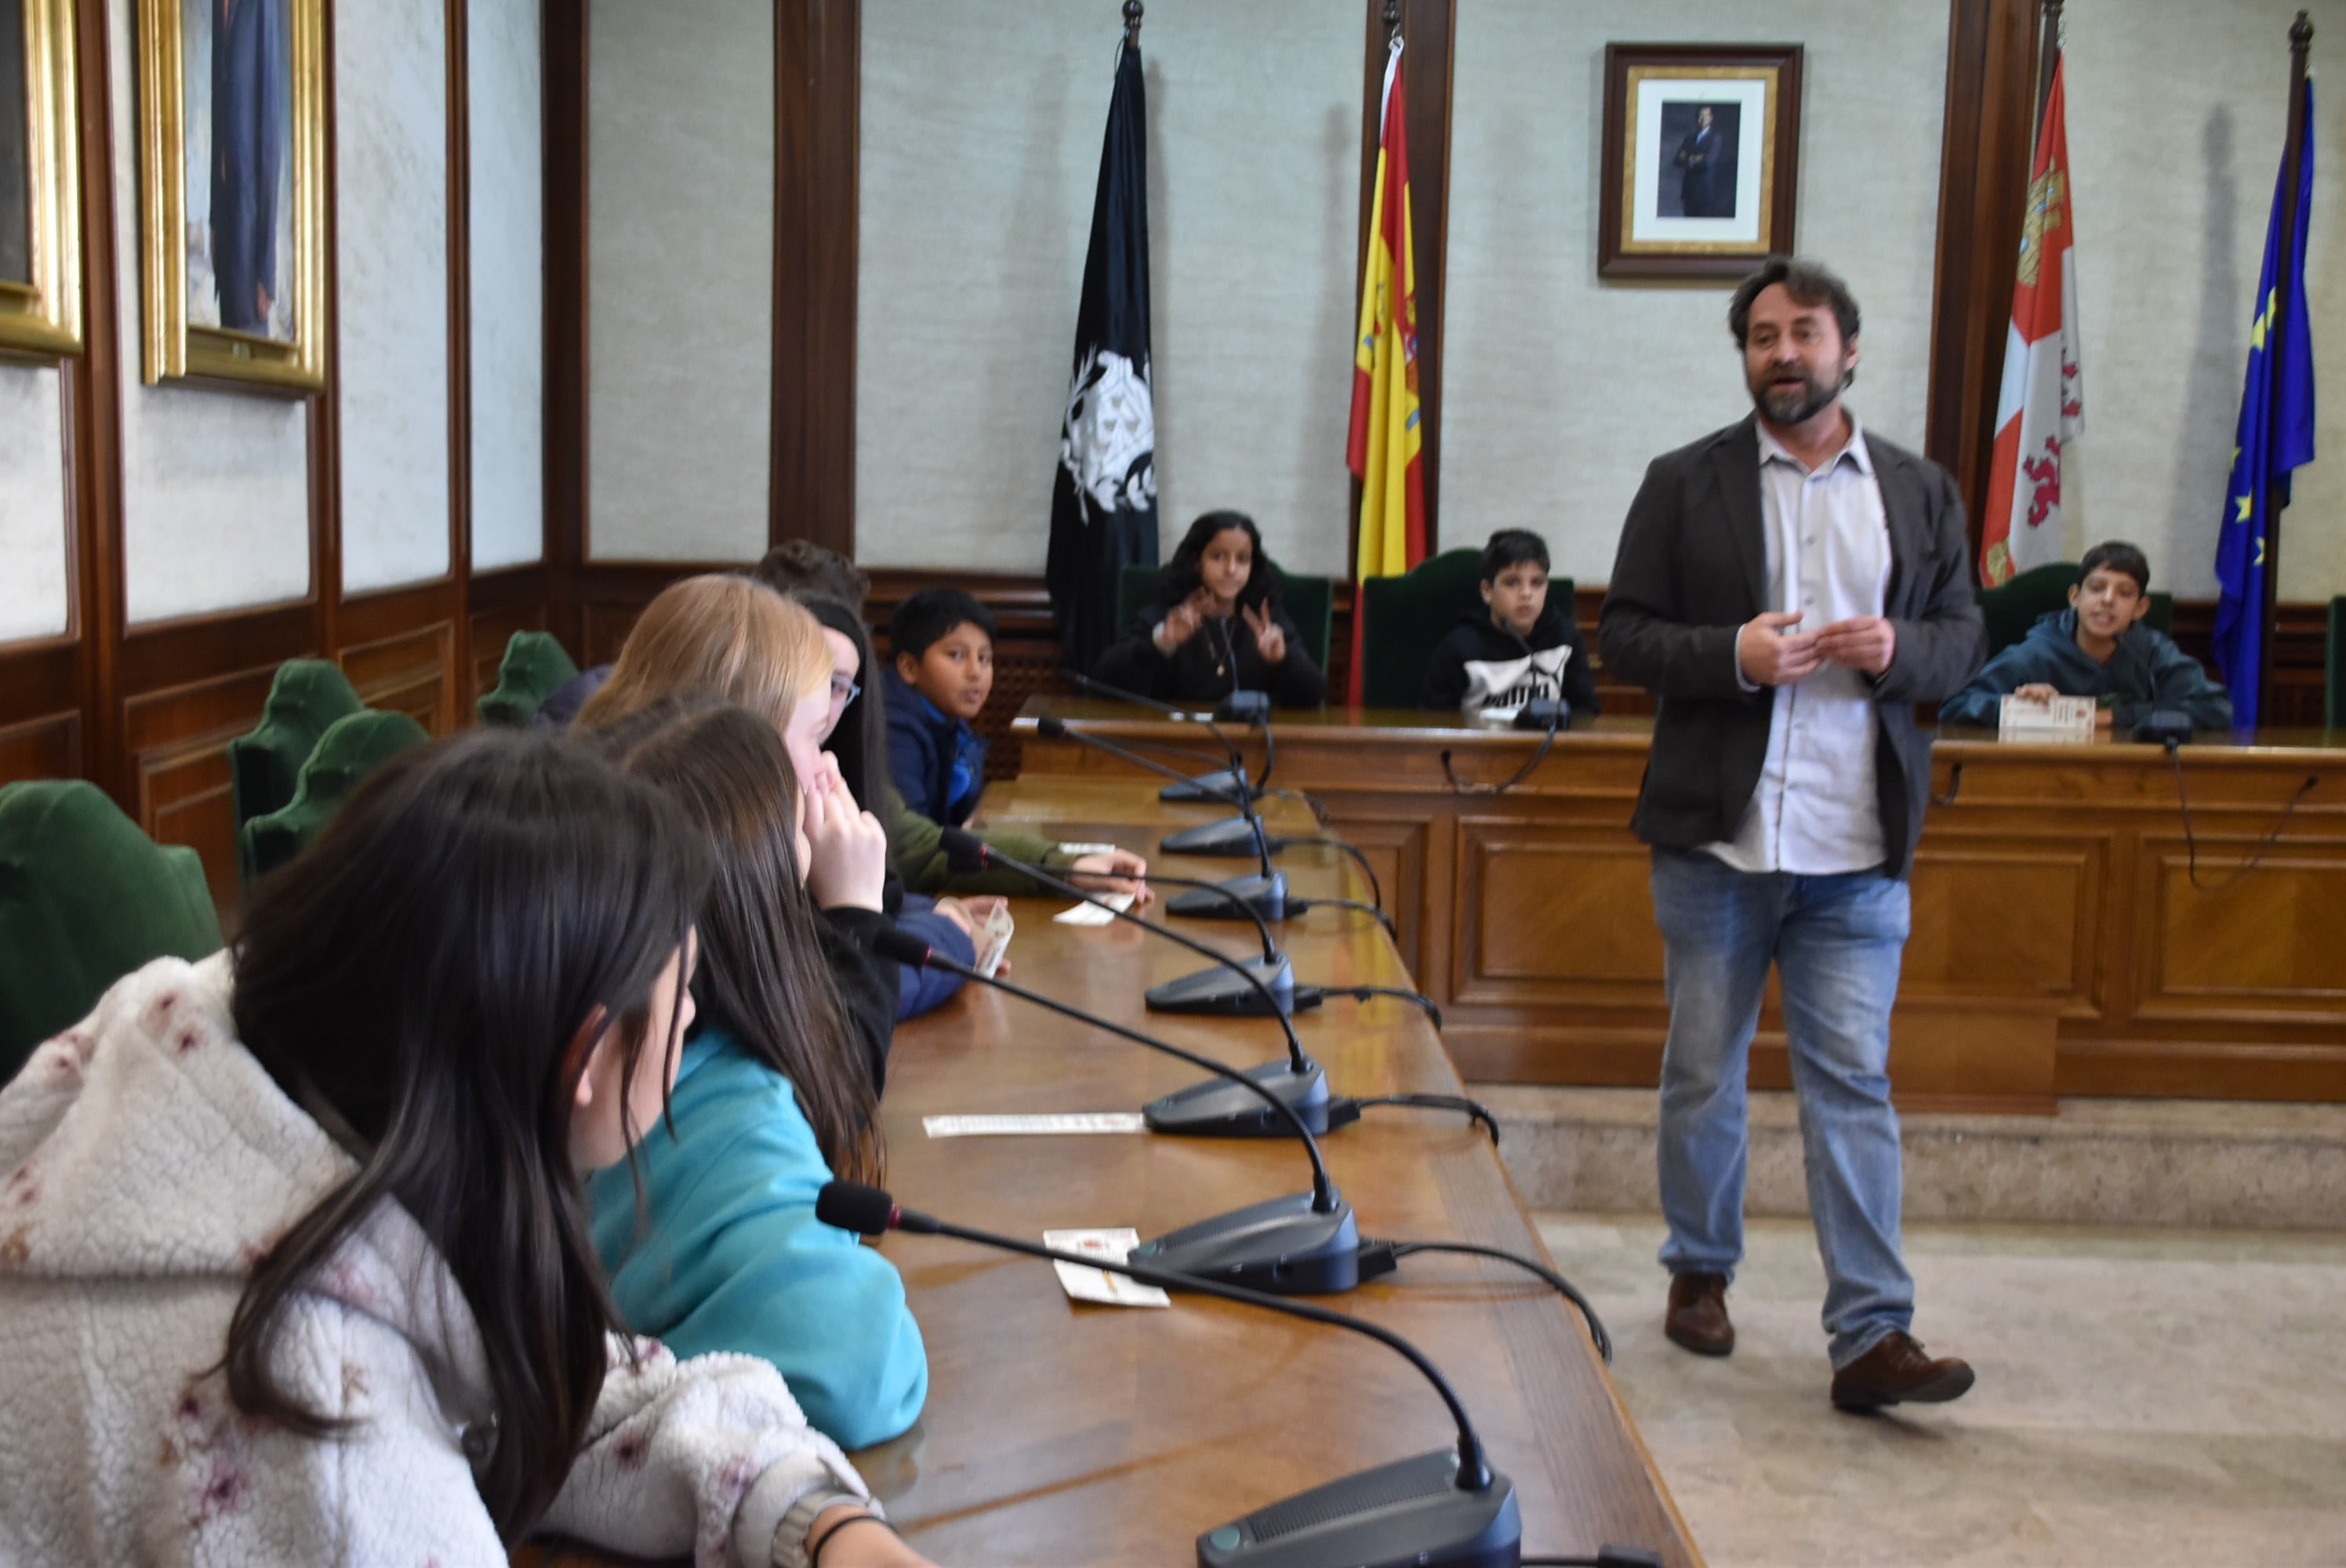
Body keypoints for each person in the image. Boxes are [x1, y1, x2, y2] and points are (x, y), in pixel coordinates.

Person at [0, 730, 928, 1567]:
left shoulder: (260, 1078)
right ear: (585, 1056)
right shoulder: (319, 1424)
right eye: (682, 988)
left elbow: (539, 1384)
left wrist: (805, 1513)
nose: (692, 1013)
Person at [1600, 254, 1985, 1411]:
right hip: (1718, 846)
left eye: (1805, 332)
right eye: (1763, 335)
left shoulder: (1918, 489)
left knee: (1852, 1084)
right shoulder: (1684, 481)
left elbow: (1963, 637)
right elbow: (1624, 634)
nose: (1784, 353)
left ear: (1847, 350)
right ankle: (1699, 1270)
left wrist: (1899, 651)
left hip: (1858, 851)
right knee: (1702, 1073)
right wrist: (1734, 653)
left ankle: (1872, 1334)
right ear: (1746, 356)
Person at [596, 704, 928, 1450]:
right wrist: (857, 916)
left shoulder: (639, 1064)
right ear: (767, 880)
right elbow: (867, 1375)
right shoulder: (731, 1109)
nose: (828, 773)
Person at [576, 574, 966, 1063]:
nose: (826, 764)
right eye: (813, 737)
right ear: (747, 738)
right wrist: (855, 910)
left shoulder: (615, 815)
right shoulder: (693, 880)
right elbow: (831, 1078)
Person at [796, 591, 1151, 906]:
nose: (822, 701)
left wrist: (1066, 866)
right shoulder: (894, 728)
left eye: (838, 685)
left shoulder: (849, 751)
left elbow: (919, 846)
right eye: (957, 655)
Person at [1940, 541, 2233, 730]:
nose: (2107, 600)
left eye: (2124, 593)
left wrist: (2114, 717)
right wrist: (2017, 708)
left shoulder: (2152, 652)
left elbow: (2218, 709)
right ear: (2075, 597)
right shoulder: (2038, 652)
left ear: (2140, 608)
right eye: (2096, 588)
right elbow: (1956, 706)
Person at [1091, 510, 1327, 708]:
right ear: (1197, 562)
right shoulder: (1166, 615)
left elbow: (1314, 696)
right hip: (1173, 742)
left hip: (1249, 743)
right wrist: (1161, 643)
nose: (1231, 569)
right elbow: (1103, 684)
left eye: (1242, 559)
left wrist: (1283, 660)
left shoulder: (1265, 621)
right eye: (1219, 557)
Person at [1420, 528, 1603, 717]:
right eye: (1512, 582)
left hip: (1546, 737)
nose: (1526, 593)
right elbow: (1435, 722)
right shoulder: (1458, 651)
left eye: (1537, 582)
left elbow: (1586, 712)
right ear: (1487, 591)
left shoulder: (1566, 639)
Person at [884, 588, 999, 829]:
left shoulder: (947, 717)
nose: (975, 672)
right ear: (909, 668)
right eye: (957, 655)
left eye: (984, 658)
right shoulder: (892, 728)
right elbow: (912, 836)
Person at [211, 0, 286, 334]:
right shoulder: (219, 7)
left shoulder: (261, 7)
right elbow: (219, 114)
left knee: (251, 347)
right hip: (226, 227)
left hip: (250, 233)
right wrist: (214, 219)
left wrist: (266, 270)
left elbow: (270, 136)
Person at [1672, 104, 1734, 220]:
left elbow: (1707, 163)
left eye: (1705, 116)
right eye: (1700, 116)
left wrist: (1688, 157)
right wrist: (1695, 158)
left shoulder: (1715, 138)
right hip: (1688, 191)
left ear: (1711, 118)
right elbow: (1677, 160)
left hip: (1704, 192)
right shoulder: (1689, 138)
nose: (1702, 119)